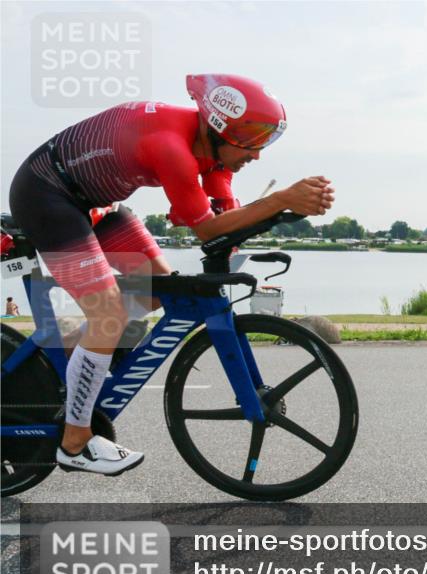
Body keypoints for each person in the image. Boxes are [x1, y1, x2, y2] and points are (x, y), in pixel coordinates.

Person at [7, 73, 334, 476]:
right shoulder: (171, 147)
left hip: (94, 205)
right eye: (250, 139)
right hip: (46, 196)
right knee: (109, 314)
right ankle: (75, 443)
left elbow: (224, 219)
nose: (257, 153)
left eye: (265, 139)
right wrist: (281, 198)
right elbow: (208, 229)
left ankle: (68, 359)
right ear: (218, 128)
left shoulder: (213, 153)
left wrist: (281, 212)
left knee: (161, 293)